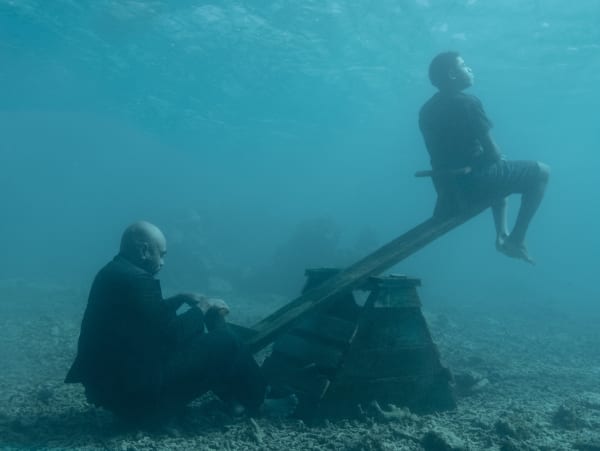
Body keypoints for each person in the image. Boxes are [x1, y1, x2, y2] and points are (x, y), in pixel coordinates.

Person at [65, 221, 266, 425]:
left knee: (196, 329)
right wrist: (203, 306)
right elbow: (170, 336)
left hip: (112, 395)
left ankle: (233, 398)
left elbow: (146, 320)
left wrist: (179, 298)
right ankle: (257, 401)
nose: (163, 262)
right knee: (228, 341)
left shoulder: (112, 272)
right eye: (161, 254)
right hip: (140, 401)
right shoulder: (138, 281)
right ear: (144, 250)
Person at [418, 51, 550, 264]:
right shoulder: (468, 103)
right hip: (474, 184)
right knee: (541, 172)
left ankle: (501, 234)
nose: (469, 68)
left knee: (500, 168)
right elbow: (494, 152)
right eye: (464, 65)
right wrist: (494, 157)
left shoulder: (426, 110)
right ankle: (516, 239)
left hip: (447, 189)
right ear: (452, 74)